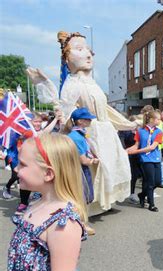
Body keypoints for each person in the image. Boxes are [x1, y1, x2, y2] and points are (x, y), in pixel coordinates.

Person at [27, 31, 137, 215]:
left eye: (88, 49)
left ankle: (102, 203)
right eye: (79, 49)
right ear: (67, 58)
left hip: (106, 133)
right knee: (93, 171)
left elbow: (106, 110)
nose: (88, 54)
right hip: (91, 134)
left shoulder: (92, 83)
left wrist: (126, 124)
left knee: (109, 170)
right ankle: (84, 206)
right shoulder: (73, 84)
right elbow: (68, 115)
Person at [2, 133, 102, 271]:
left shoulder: (62, 223)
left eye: (23, 164)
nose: (16, 169)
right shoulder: (35, 203)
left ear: (48, 173)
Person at [126, 110, 163, 212]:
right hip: (145, 159)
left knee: (158, 181)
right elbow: (136, 145)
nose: (160, 121)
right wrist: (126, 150)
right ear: (151, 119)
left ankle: (142, 195)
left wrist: (136, 151)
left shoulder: (159, 132)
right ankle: (151, 204)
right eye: (158, 119)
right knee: (150, 182)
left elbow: (152, 147)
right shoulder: (140, 131)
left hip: (156, 158)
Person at [66, 108, 100, 205]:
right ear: (80, 121)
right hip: (79, 171)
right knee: (82, 199)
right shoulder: (76, 137)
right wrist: (93, 161)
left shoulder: (80, 134)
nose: (90, 120)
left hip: (77, 169)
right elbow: (84, 160)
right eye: (88, 119)